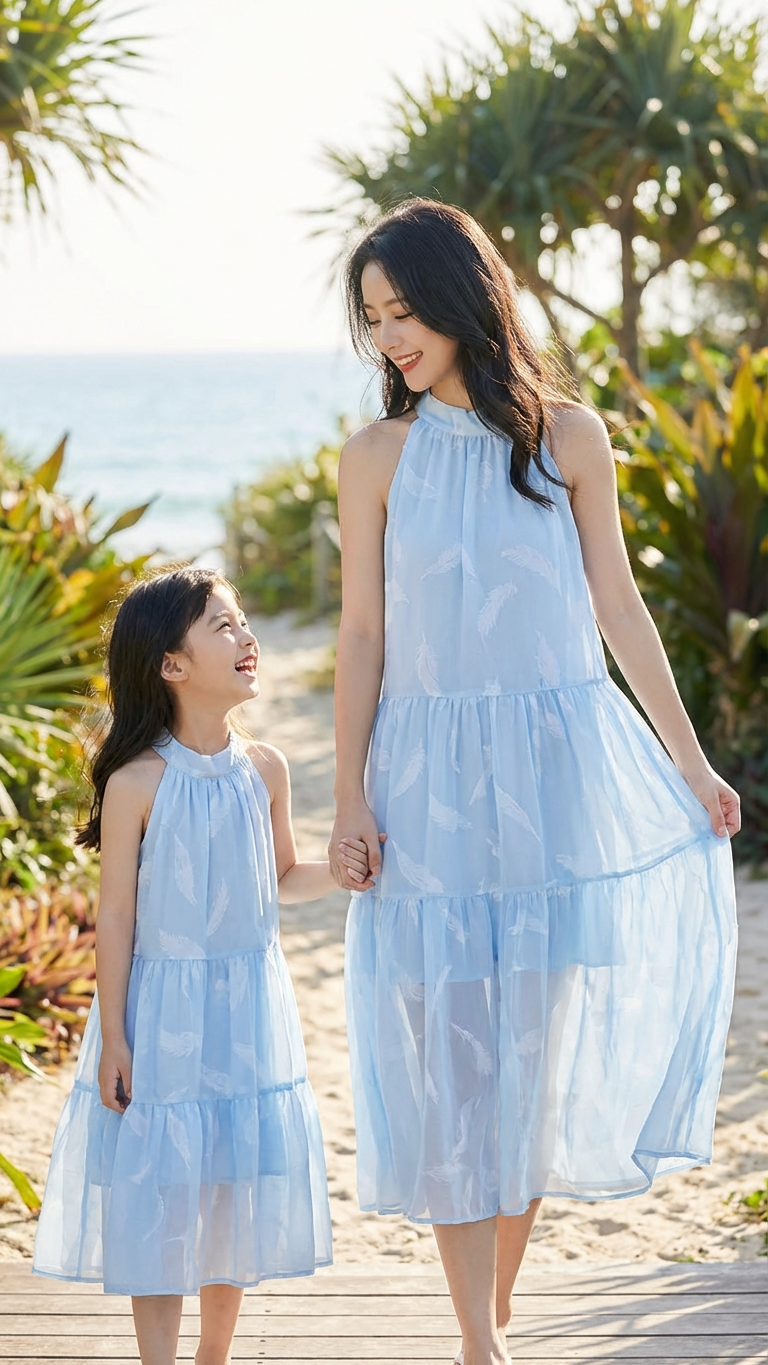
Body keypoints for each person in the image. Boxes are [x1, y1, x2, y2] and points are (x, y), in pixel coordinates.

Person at [329, 199, 740, 1365]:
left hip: (555, 780)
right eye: (371, 319)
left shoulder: (570, 439)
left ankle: (488, 1323)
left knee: (528, 1074)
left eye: (403, 310)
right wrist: (350, 796)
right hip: (426, 789)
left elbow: (619, 609)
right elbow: (361, 635)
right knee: (454, 1063)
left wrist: (691, 762)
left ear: (463, 297)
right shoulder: (375, 457)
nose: (389, 338)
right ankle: (479, 1343)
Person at [33, 568, 367, 1365]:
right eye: (223, 625)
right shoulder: (136, 781)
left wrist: (347, 868)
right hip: (161, 1011)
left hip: (249, 1004)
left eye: (245, 620)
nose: (247, 635)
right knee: (162, 1191)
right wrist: (115, 1036)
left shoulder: (267, 769)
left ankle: (214, 1357)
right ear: (171, 665)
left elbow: (285, 877)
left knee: (228, 1187)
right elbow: (116, 916)